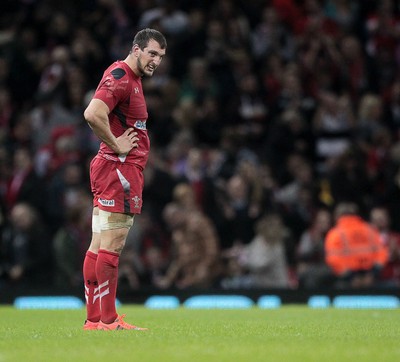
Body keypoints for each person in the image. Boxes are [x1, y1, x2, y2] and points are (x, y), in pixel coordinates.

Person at [82, 28, 167, 331]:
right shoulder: (121, 77)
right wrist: (117, 144)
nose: (156, 60)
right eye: (152, 53)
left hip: (111, 168)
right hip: (120, 170)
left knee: (98, 244)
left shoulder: (128, 77)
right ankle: (108, 320)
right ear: (137, 49)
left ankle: (94, 319)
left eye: (161, 56)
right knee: (112, 246)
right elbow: (92, 113)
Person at [324, 202, 388, 289]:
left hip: (347, 282)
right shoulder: (370, 230)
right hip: (371, 279)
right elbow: (382, 254)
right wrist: (372, 274)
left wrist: (351, 277)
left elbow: (333, 259)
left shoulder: (335, 233)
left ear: (337, 215)